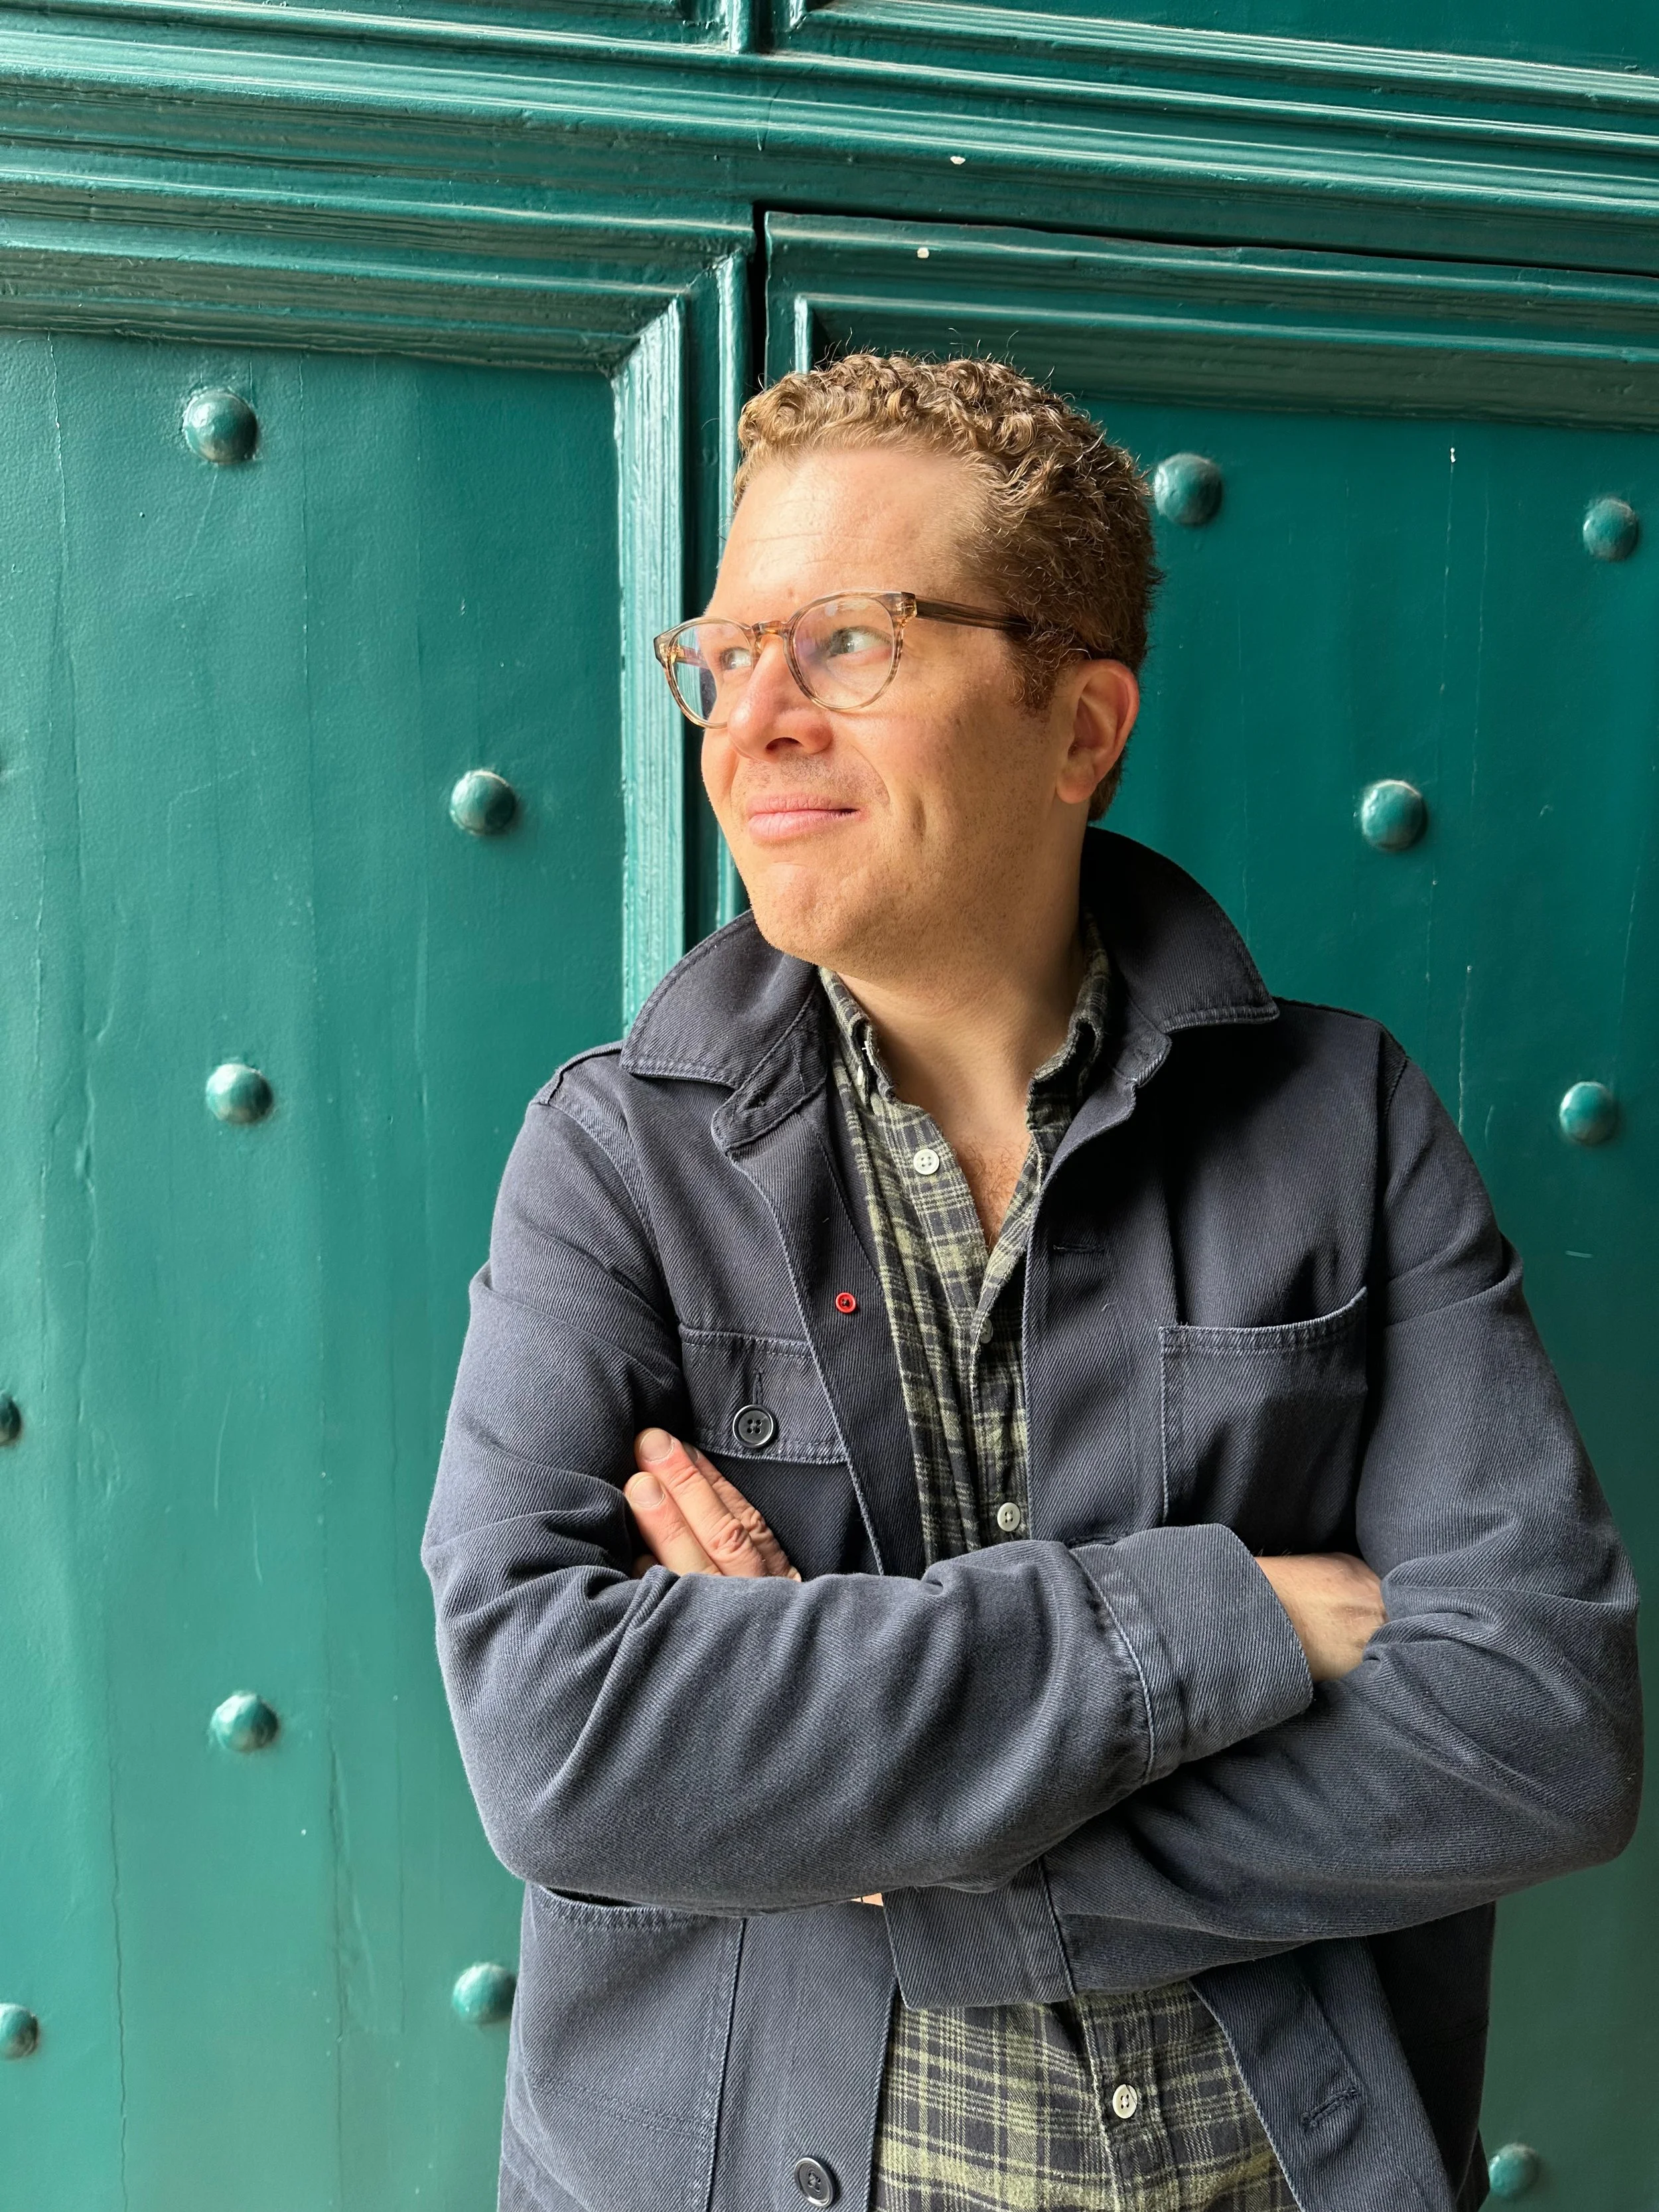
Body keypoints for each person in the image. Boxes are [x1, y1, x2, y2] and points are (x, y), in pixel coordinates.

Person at [422, 353, 1640, 2212]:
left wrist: (859, 1820)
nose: (751, 720)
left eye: (846, 644)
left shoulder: (1343, 1121)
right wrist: (1218, 1621)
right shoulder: (612, 1156)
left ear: (1078, 726)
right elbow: (557, 1740)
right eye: (723, 654)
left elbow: (1531, 1735)